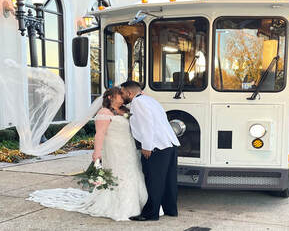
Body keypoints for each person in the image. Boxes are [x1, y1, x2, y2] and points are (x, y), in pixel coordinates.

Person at [27, 87, 148, 221]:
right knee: (120, 175)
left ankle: (140, 204)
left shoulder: (124, 111)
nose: (122, 97)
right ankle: (124, 207)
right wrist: (97, 153)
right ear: (110, 97)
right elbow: (100, 134)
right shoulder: (104, 112)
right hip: (115, 150)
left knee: (133, 172)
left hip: (129, 149)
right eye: (119, 94)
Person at [120, 81, 180, 221]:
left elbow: (147, 125)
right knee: (169, 179)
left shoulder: (138, 102)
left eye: (122, 92)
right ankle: (171, 209)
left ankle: (150, 214)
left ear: (129, 93)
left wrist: (147, 146)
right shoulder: (150, 100)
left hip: (156, 146)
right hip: (169, 144)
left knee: (154, 180)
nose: (122, 96)